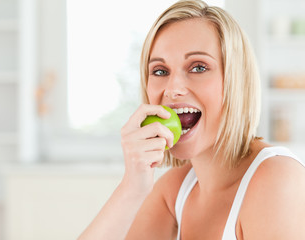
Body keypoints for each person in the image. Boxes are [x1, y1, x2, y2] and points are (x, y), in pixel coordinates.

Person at [78, 0, 305, 239]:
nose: (172, 88)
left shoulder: (277, 179)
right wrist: (132, 186)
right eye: (160, 71)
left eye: (198, 67)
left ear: (235, 81)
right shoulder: (174, 189)